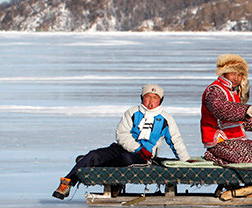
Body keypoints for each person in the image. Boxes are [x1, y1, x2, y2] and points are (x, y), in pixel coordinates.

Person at [52, 84, 191, 199]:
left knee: (126, 160)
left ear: (160, 100)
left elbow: (175, 140)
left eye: (155, 98)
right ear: (142, 98)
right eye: (147, 97)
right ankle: (67, 183)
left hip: (144, 156)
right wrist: (137, 148)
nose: (150, 101)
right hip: (123, 148)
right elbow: (122, 134)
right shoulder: (132, 113)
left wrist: (186, 159)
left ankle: (88, 163)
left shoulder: (166, 119)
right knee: (94, 154)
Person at [200, 54, 252, 166]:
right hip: (220, 142)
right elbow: (220, 108)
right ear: (224, 73)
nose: (236, 78)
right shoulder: (215, 90)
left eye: (240, 75)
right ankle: (214, 156)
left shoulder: (233, 93)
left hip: (235, 139)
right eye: (233, 74)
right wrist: (245, 110)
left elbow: (240, 121)